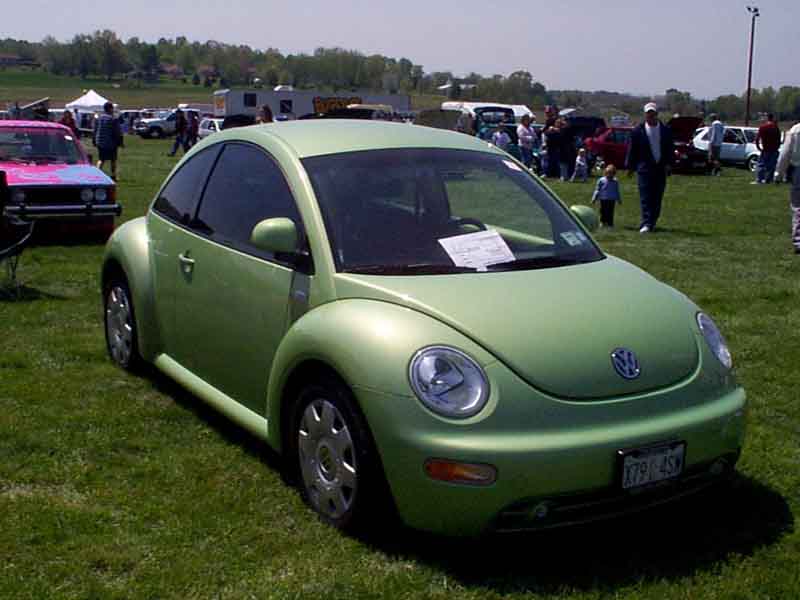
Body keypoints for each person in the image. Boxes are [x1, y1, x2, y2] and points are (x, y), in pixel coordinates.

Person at [625, 102, 673, 233]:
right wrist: (630, 167)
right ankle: (646, 222)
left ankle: (652, 221)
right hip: (644, 168)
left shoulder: (665, 130)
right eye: (648, 114)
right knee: (646, 196)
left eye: (653, 113)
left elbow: (669, 149)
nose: (651, 116)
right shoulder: (637, 131)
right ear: (645, 115)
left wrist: (669, 164)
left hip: (660, 167)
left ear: (657, 114)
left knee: (657, 196)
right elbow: (632, 150)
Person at [775, 120, 800, 254]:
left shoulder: (795, 130)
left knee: (798, 206)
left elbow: (785, 154)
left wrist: (779, 174)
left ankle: (799, 241)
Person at [93, 101, 123, 180]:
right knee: (113, 160)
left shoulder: (99, 118)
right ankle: (113, 176)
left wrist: (94, 140)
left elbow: (95, 130)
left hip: (100, 141)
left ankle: (96, 175)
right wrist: (120, 142)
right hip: (110, 143)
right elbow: (117, 132)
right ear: (110, 109)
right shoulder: (113, 119)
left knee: (101, 159)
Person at [754, 113, 781, 184]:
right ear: (772, 118)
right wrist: (777, 147)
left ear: (767, 118)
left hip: (766, 149)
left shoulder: (763, 127)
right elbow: (779, 138)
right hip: (774, 149)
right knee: (772, 166)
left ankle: (759, 179)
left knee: (761, 164)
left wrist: (758, 147)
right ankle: (768, 179)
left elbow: (757, 139)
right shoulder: (776, 127)